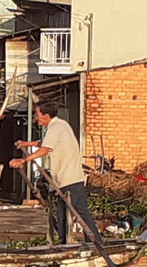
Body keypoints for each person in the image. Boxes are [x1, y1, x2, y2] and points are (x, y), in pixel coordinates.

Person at [10, 101, 101, 244]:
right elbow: (46, 143)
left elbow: (46, 149)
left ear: (46, 116)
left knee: (77, 213)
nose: (36, 118)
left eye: (37, 114)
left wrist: (24, 160)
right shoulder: (59, 125)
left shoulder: (56, 127)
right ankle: (72, 242)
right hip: (66, 180)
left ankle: (94, 242)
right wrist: (28, 144)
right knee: (65, 214)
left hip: (70, 180)